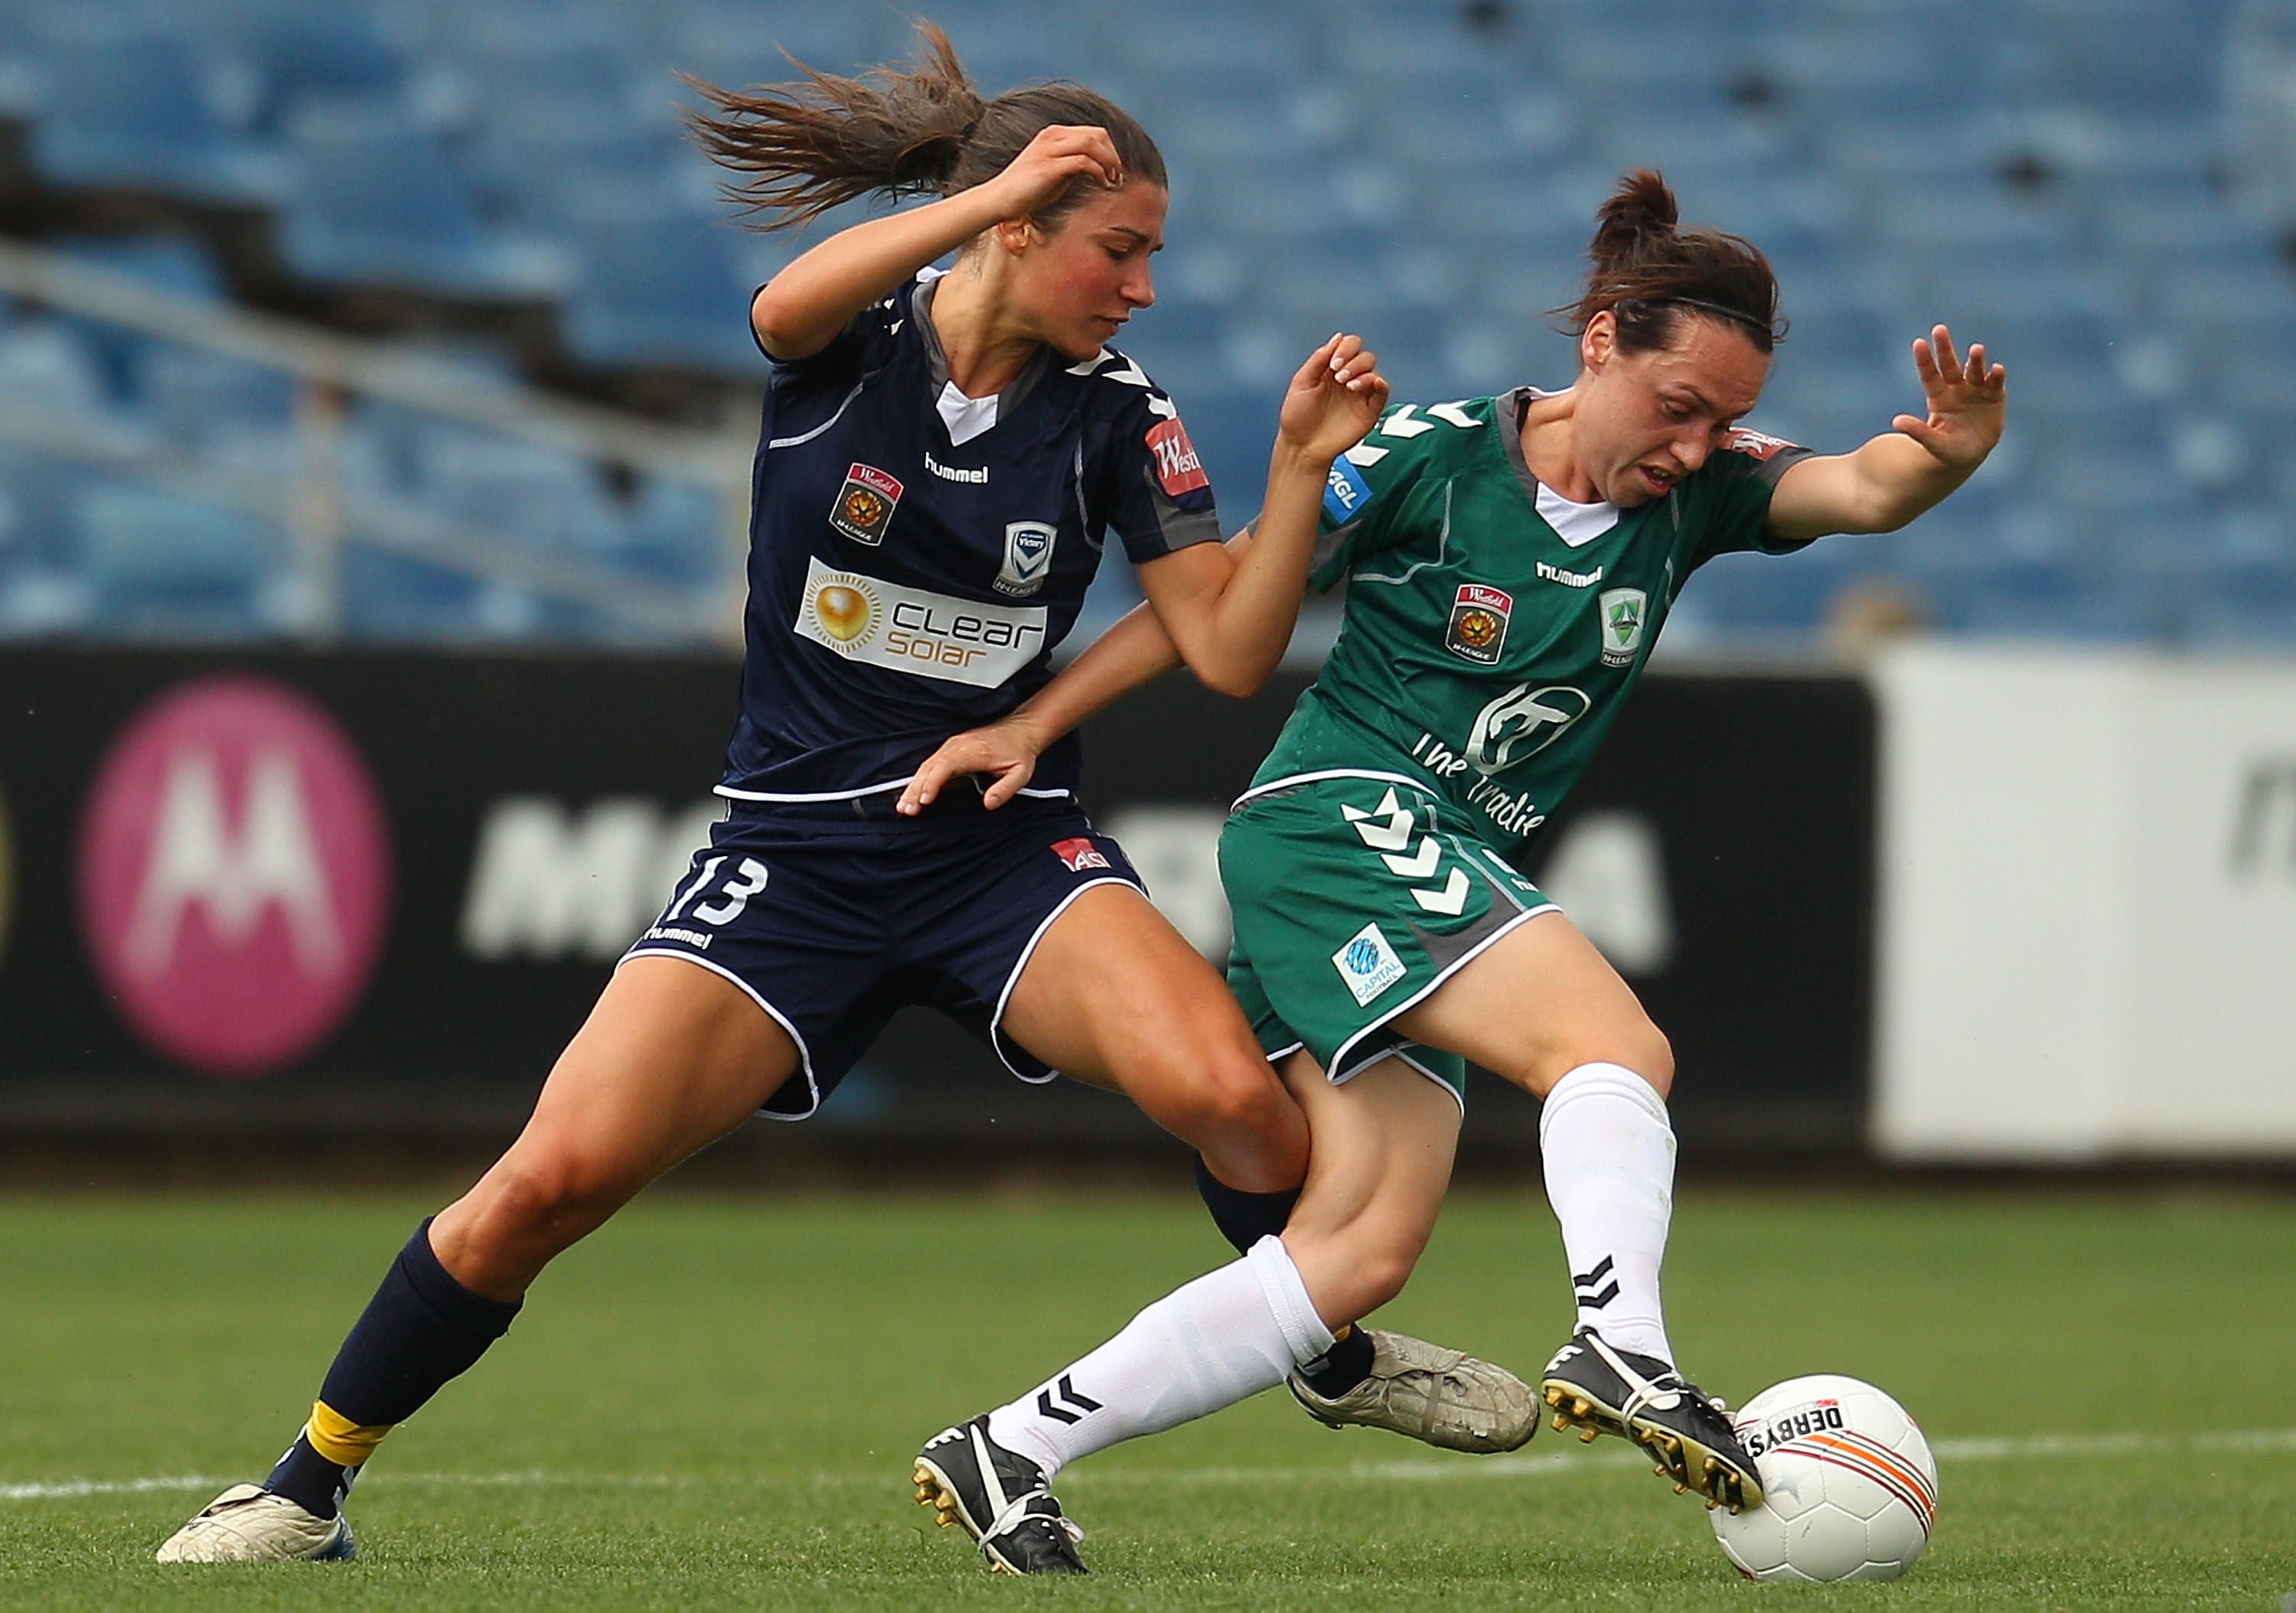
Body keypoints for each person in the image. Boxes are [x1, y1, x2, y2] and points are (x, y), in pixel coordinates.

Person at [154, 23, 1533, 1566]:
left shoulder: (1116, 411)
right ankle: (307, 1481)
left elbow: (1223, 646)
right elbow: (774, 300)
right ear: (1017, 223)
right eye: (1118, 250)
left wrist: (1292, 479)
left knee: (1229, 1097)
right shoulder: (854, 339)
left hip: (1002, 855)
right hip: (794, 857)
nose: (1142, 286)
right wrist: (982, 197)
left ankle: (1333, 1356)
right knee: (545, 1183)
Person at [899, 168, 2008, 1575]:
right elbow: (1229, 594)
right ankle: (1626, 1351)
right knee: (1613, 1044)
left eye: (1725, 420)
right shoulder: (1428, 455)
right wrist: (1034, 718)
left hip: (1426, 858)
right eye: (1680, 409)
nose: (1697, 445)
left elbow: (1866, 483)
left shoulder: (1705, 495)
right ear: (1600, 342)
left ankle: (1009, 1448)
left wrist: (1953, 452)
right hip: (1339, 814)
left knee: (1355, 1252)